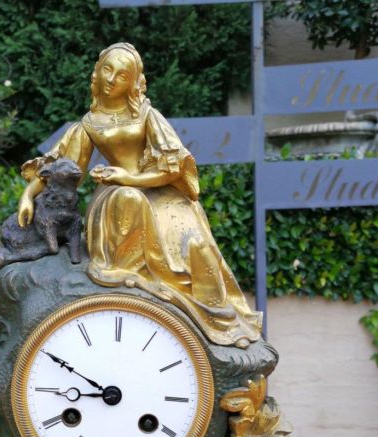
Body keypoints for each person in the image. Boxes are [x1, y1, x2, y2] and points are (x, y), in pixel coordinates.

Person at [16, 43, 261, 348]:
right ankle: (137, 284)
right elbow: (61, 166)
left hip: (158, 190)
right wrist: (28, 195)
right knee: (129, 200)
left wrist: (131, 177)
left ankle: (218, 321)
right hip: (116, 196)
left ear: (132, 82)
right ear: (96, 71)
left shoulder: (147, 114)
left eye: (121, 74)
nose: (111, 78)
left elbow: (173, 167)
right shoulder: (89, 125)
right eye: (107, 69)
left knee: (195, 243)